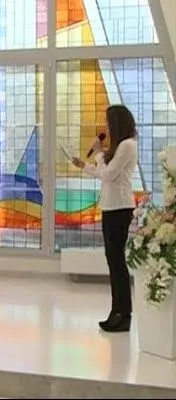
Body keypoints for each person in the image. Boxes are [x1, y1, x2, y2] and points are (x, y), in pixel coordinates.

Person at [72, 105, 138, 333]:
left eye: (109, 123)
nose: (106, 128)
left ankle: (123, 313)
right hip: (110, 207)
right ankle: (116, 311)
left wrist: (99, 152)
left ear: (117, 123)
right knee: (112, 260)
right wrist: (85, 165)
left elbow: (109, 175)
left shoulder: (128, 145)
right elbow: (105, 173)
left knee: (117, 262)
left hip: (120, 208)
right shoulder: (119, 147)